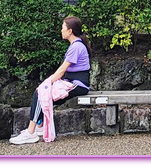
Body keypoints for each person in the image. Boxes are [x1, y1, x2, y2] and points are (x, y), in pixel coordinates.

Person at [9, 15, 91, 145]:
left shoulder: (76, 47)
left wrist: (47, 83)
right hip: (72, 82)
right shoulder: (75, 45)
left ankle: (31, 132)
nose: (61, 30)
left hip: (78, 84)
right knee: (42, 93)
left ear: (70, 31)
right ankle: (39, 126)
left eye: (63, 27)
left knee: (41, 92)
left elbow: (62, 70)